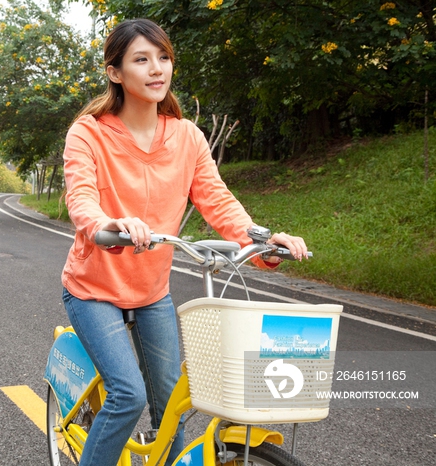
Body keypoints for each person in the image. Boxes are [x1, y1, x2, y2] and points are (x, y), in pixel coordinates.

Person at [60, 18, 308, 466]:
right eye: (141, 59)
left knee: (170, 409)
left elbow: (217, 199)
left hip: (152, 292)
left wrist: (265, 241)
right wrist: (108, 223)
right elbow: (81, 199)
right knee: (128, 395)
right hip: (94, 290)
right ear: (115, 72)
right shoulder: (89, 132)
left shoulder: (187, 136)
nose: (157, 69)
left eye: (164, 57)